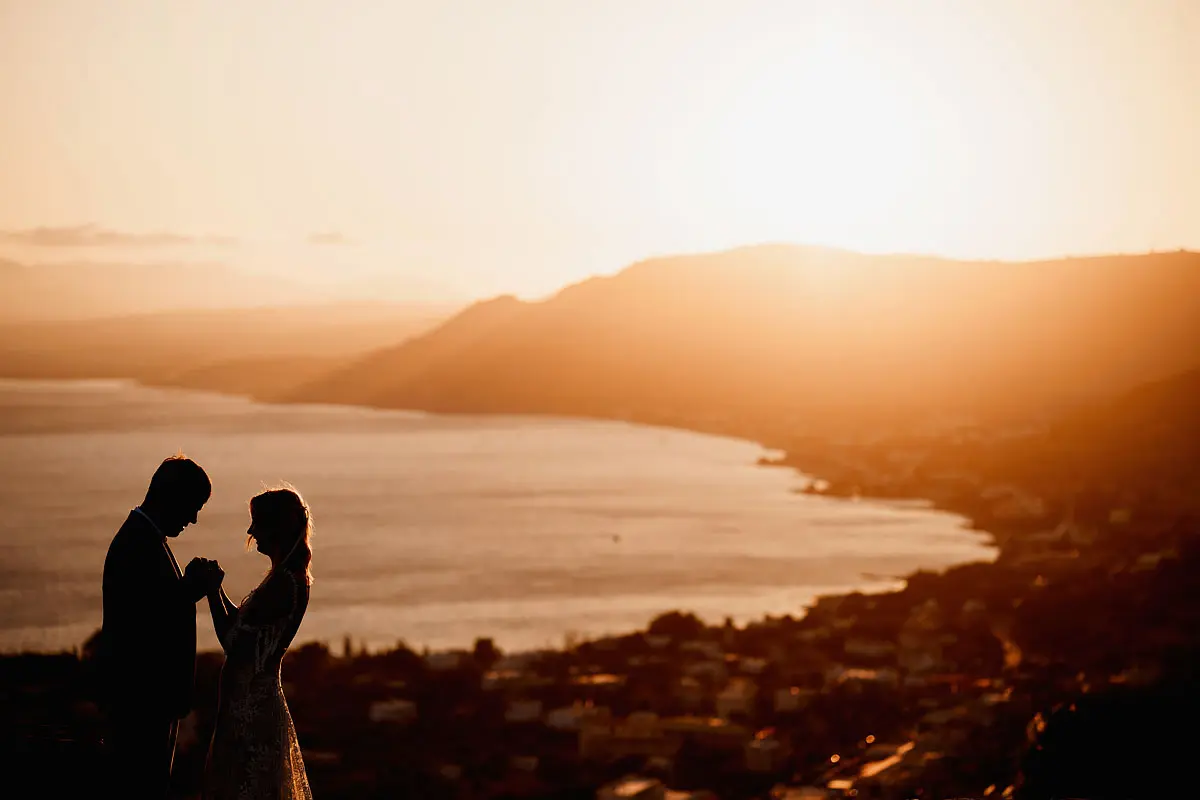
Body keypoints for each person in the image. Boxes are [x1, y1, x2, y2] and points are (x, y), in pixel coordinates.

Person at [100, 455, 223, 799]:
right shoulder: (136, 544)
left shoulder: (146, 539)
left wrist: (188, 586)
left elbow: (154, 604)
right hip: (141, 703)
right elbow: (143, 621)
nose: (194, 519)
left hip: (150, 701)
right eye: (192, 507)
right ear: (172, 497)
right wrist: (190, 590)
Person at [203, 486, 314, 800]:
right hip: (253, 700)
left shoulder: (283, 583)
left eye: (256, 523)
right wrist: (218, 590)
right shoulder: (288, 577)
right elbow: (245, 626)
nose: (251, 532)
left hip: (251, 707)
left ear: (274, 528)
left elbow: (234, 644)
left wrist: (211, 592)